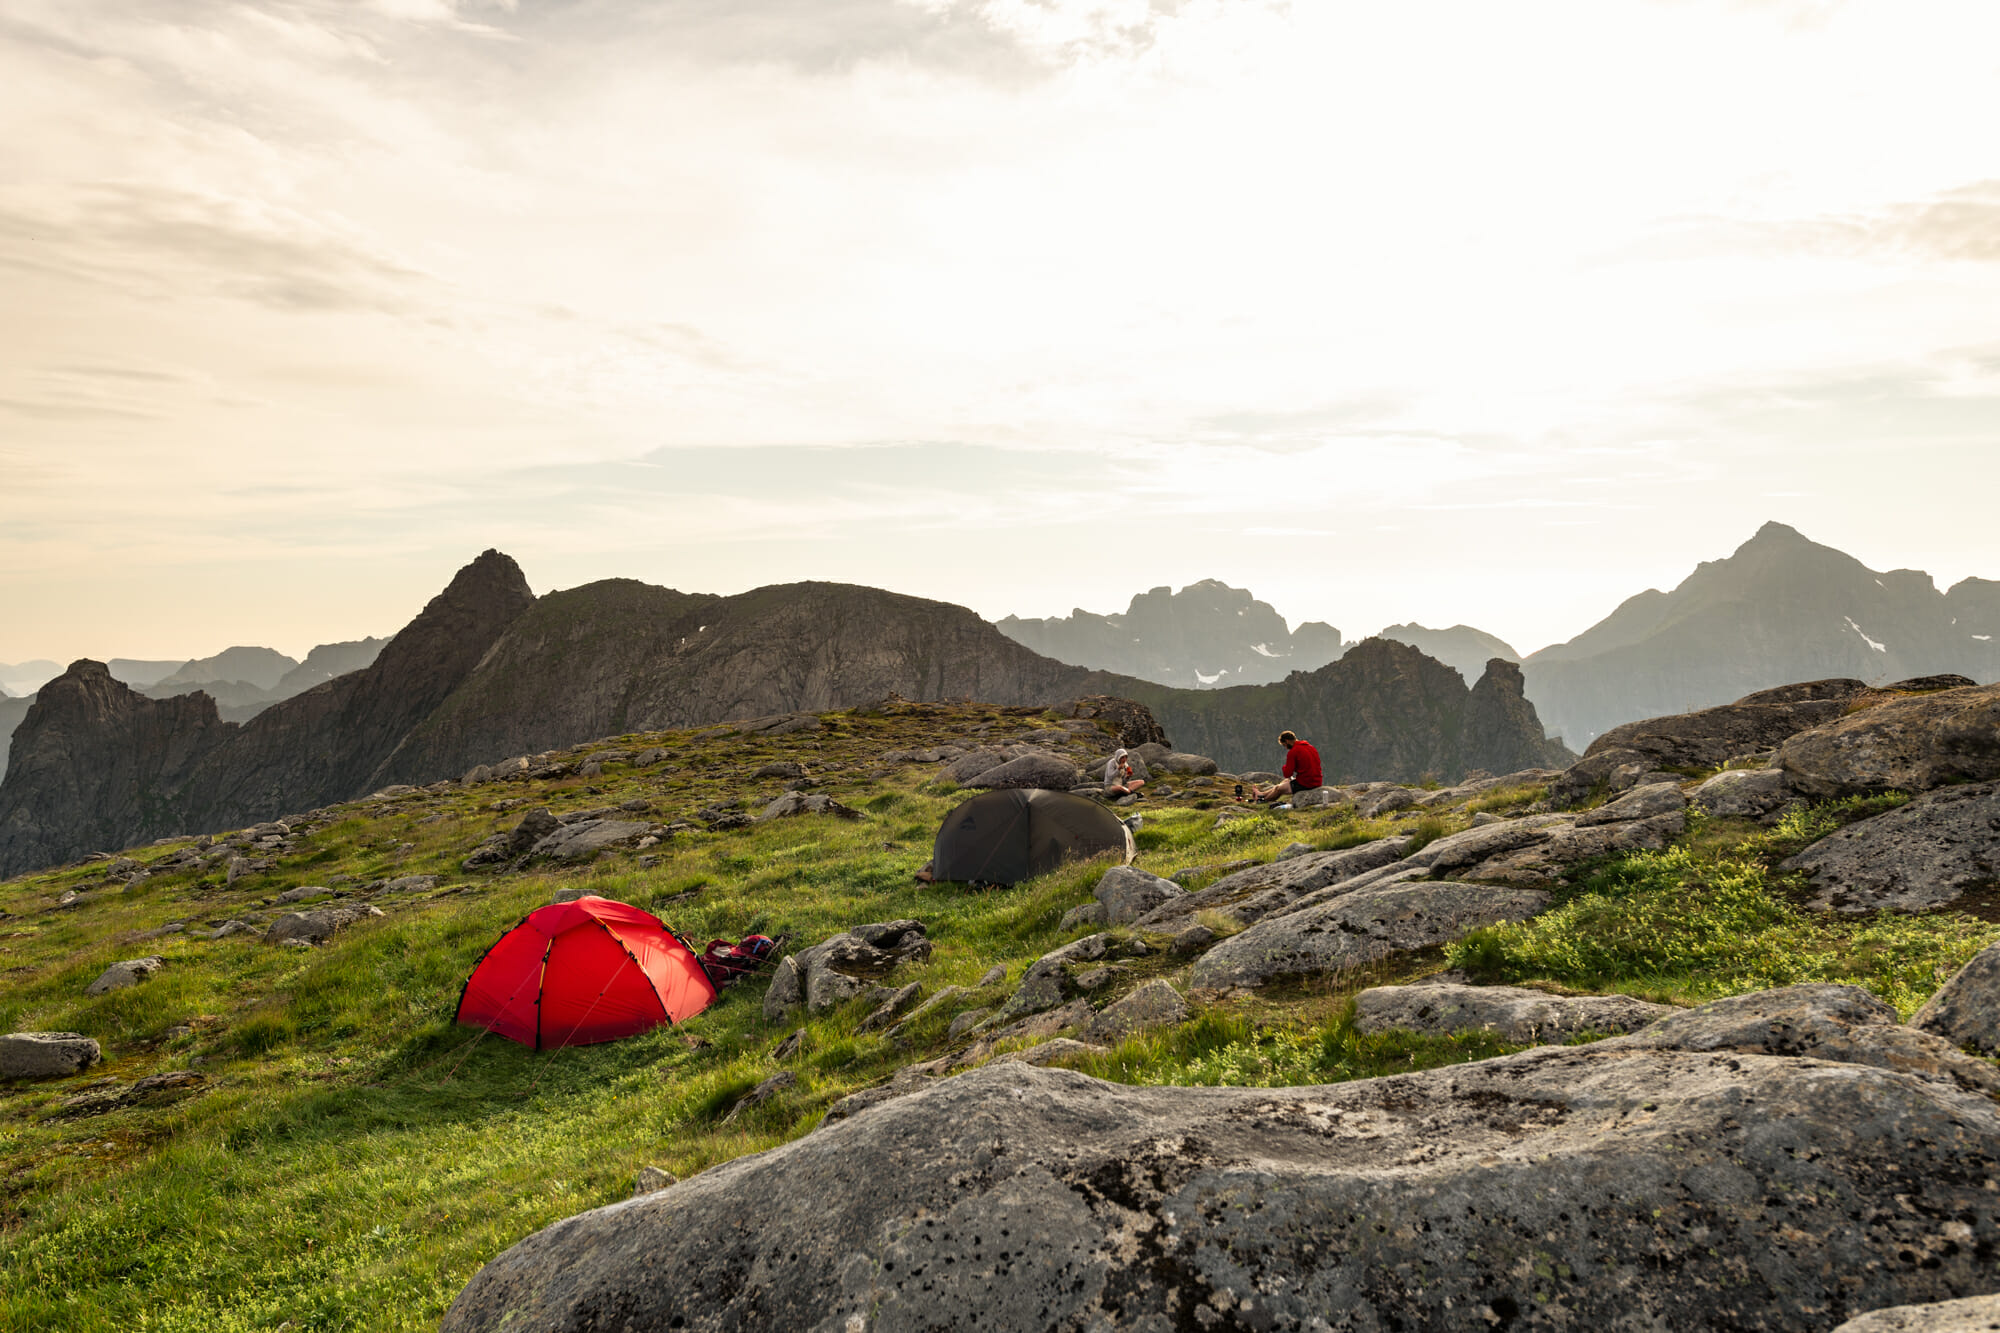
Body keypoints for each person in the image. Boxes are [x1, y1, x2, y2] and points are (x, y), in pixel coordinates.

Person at [1244, 730, 1321, 802]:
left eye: (1285, 745)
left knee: (1279, 788)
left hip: (1306, 784)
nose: (1286, 748)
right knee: (1285, 781)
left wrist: (1284, 767)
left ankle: (1262, 801)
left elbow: (1287, 774)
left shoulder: (1294, 751)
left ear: (1287, 741)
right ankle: (1262, 794)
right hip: (1316, 781)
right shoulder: (1310, 747)